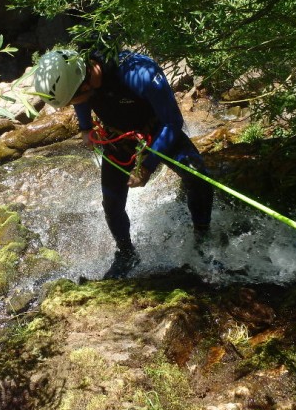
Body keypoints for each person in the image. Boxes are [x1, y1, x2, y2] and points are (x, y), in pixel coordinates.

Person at [34, 49, 213, 278]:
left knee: (198, 178)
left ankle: (203, 239)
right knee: (112, 205)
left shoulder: (140, 74)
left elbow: (173, 122)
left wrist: (148, 165)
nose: (73, 105)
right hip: (118, 137)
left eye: (73, 100)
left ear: (86, 84)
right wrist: (85, 127)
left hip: (158, 131)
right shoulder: (80, 77)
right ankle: (126, 253)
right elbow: (80, 99)